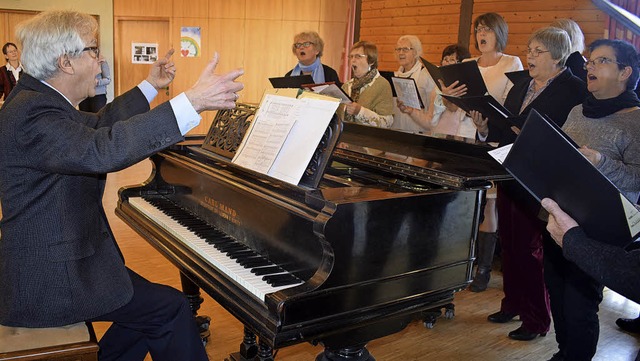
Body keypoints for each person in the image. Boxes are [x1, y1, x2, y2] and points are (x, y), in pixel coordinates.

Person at [0, 10, 244, 361]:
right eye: (93, 50)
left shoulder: (37, 101)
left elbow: (100, 124)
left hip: (55, 258)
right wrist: (191, 103)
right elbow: (103, 149)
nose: (100, 60)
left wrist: (151, 85)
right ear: (66, 61)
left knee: (150, 310)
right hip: (52, 277)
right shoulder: (34, 114)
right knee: (169, 309)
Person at [471, 27, 588, 341]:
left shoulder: (573, 89)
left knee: (531, 249)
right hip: (510, 171)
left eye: (538, 51)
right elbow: (503, 126)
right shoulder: (521, 83)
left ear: (557, 55)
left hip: (542, 181)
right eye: (529, 49)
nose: (530, 56)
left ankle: (536, 319)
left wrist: (531, 137)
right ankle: (513, 303)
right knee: (509, 243)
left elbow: (570, 139)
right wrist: (484, 128)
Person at [543, 38, 640, 361]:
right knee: (556, 293)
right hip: (560, 219)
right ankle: (563, 352)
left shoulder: (636, 120)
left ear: (625, 72)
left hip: (600, 231)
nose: (590, 66)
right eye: (590, 61)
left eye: (601, 61)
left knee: (579, 302)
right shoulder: (577, 111)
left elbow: (638, 180)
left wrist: (601, 161)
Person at [443, 12, 523, 293]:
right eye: (478, 29)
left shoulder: (511, 62)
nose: (481, 34)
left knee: (489, 203)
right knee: (463, 203)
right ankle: (457, 264)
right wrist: (448, 92)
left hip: (494, 138)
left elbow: (514, 104)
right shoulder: (466, 63)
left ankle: (485, 268)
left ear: (499, 32)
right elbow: (453, 106)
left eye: (487, 29)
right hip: (466, 134)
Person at [541, 198, 640, 361]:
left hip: (599, 225)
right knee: (556, 289)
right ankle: (563, 352)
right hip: (558, 214)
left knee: (579, 303)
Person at [396, 44, 477, 138]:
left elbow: (453, 108)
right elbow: (430, 122)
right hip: (436, 139)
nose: (447, 63)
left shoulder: (466, 88)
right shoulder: (436, 89)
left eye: (452, 60)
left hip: (457, 142)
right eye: (445, 59)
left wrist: (445, 95)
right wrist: (411, 111)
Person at [339, 40, 393, 128]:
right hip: (346, 137)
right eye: (351, 56)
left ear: (371, 61)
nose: (353, 60)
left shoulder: (382, 85)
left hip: (368, 139)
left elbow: (386, 122)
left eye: (358, 57)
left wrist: (360, 112)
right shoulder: (347, 85)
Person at [390, 35, 437, 133]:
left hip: (419, 131)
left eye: (405, 49)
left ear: (416, 52)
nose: (401, 53)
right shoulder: (395, 76)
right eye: (398, 49)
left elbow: (432, 108)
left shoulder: (426, 74)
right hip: (397, 129)